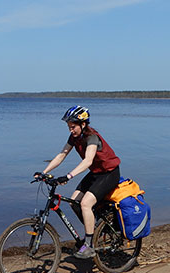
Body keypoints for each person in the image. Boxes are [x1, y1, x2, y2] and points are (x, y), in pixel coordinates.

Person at [34, 106, 121, 258]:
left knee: (85, 203)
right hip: (96, 173)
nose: (70, 130)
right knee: (74, 201)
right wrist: (44, 172)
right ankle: (94, 230)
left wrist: (68, 176)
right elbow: (61, 155)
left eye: (73, 127)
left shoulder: (92, 137)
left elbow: (88, 161)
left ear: (83, 124)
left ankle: (88, 245)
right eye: (68, 127)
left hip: (109, 173)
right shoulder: (74, 138)